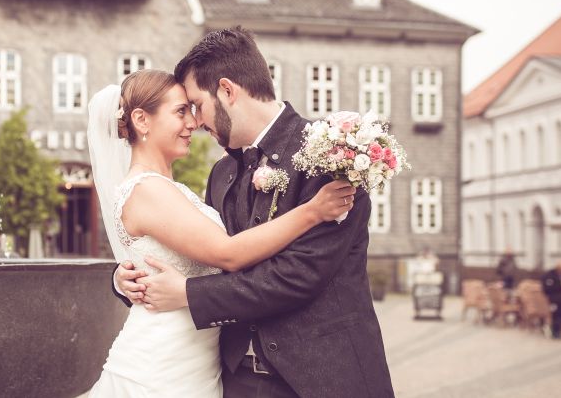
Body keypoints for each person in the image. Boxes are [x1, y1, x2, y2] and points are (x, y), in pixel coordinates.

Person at [111, 27, 393, 398]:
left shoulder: (331, 155)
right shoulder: (222, 173)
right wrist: (125, 277)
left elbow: (297, 277)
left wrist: (190, 295)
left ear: (227, 91)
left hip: (324, 378)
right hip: (237, 381)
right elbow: (202, 255)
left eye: (197, 104)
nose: (195, 122)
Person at [541, 261, 561, 338]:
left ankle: (559, 330)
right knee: (556, 315)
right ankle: (555, 332)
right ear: (558, 268)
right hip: (553, 299)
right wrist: (560, 285)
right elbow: (547, 288)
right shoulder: (549, 275)